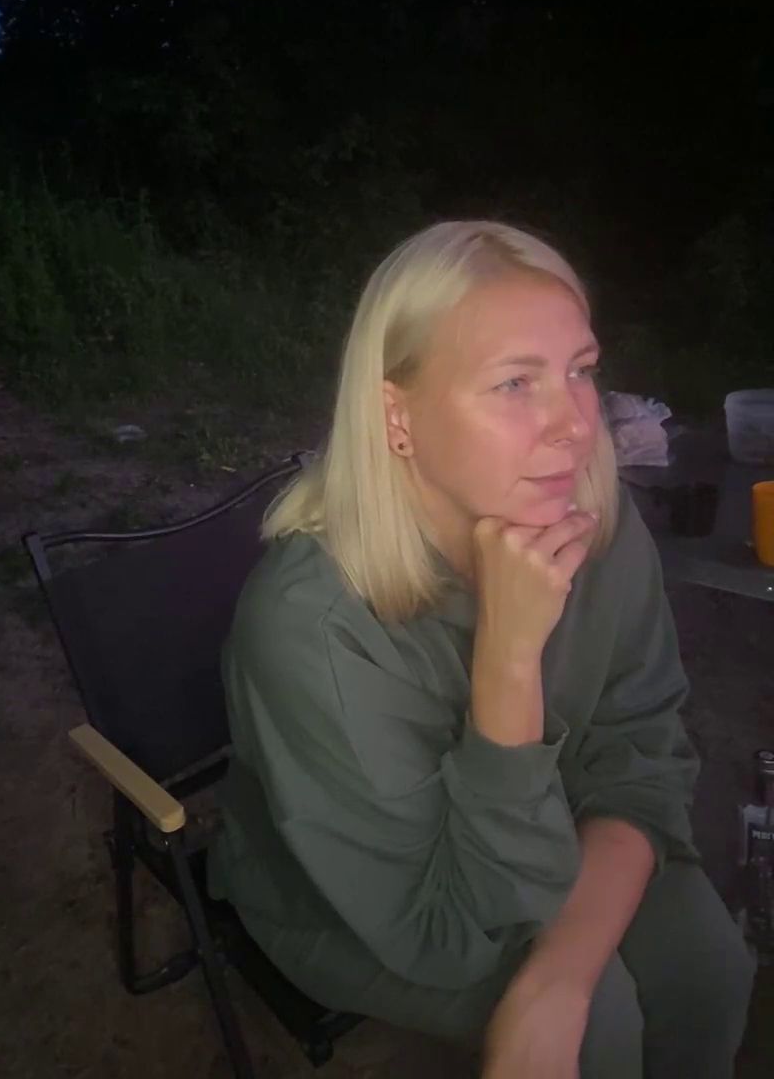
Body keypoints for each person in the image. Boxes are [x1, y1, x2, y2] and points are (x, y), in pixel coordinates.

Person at [206, 220, 755, 1078]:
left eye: (580, 371)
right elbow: (443, 924)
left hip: (548, 823)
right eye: (514, 383)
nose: (574, 426)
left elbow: (642, 753)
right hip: (352, 901)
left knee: (711, 976)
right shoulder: (311, 627)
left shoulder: (592, 521)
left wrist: (562, 975)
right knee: (603, 1029)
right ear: (397, 416)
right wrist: (507, 656)